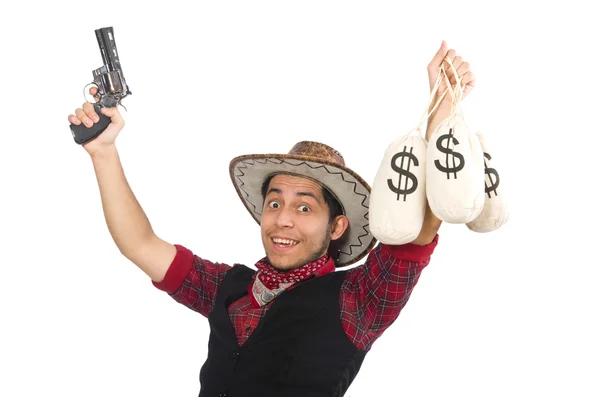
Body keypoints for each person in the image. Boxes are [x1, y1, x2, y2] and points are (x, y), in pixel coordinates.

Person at [68, 40, 475, 397]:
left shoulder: (356, 300)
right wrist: (103, 152)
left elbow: (416, 232)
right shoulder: (227, 286)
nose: (283, 220)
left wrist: (441, 112)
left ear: (337, 226)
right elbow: (140, 245)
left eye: (304, 207)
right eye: (275, 203)